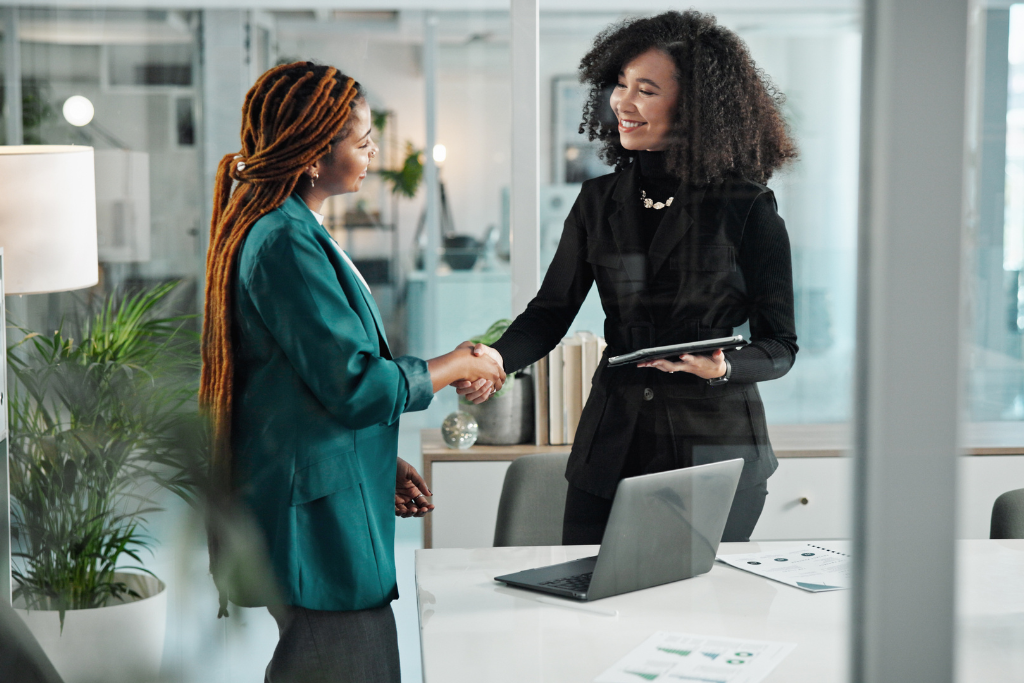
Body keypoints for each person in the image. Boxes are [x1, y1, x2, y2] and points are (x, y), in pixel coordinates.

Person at [200, 62, 504, 683]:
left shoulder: (294, 227)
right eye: (363, 142)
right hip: (314, 523)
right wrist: (458, 364)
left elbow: (299, 386)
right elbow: (355, 383)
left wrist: (375, 461)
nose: (372, 154)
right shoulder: (282, 239)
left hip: (324, 492)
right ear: (315, 153)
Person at [466, 11, 798, 545]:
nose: (623, 102)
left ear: (694, 108)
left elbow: (781, 345)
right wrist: (498, 359)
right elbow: (551, 312)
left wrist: (720, 367)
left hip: (714, 455)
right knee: (587, 606)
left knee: (693, 614)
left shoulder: (747, 206)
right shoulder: (597, 202)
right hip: (610, 448)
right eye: (620, 85)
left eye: (646, 89)